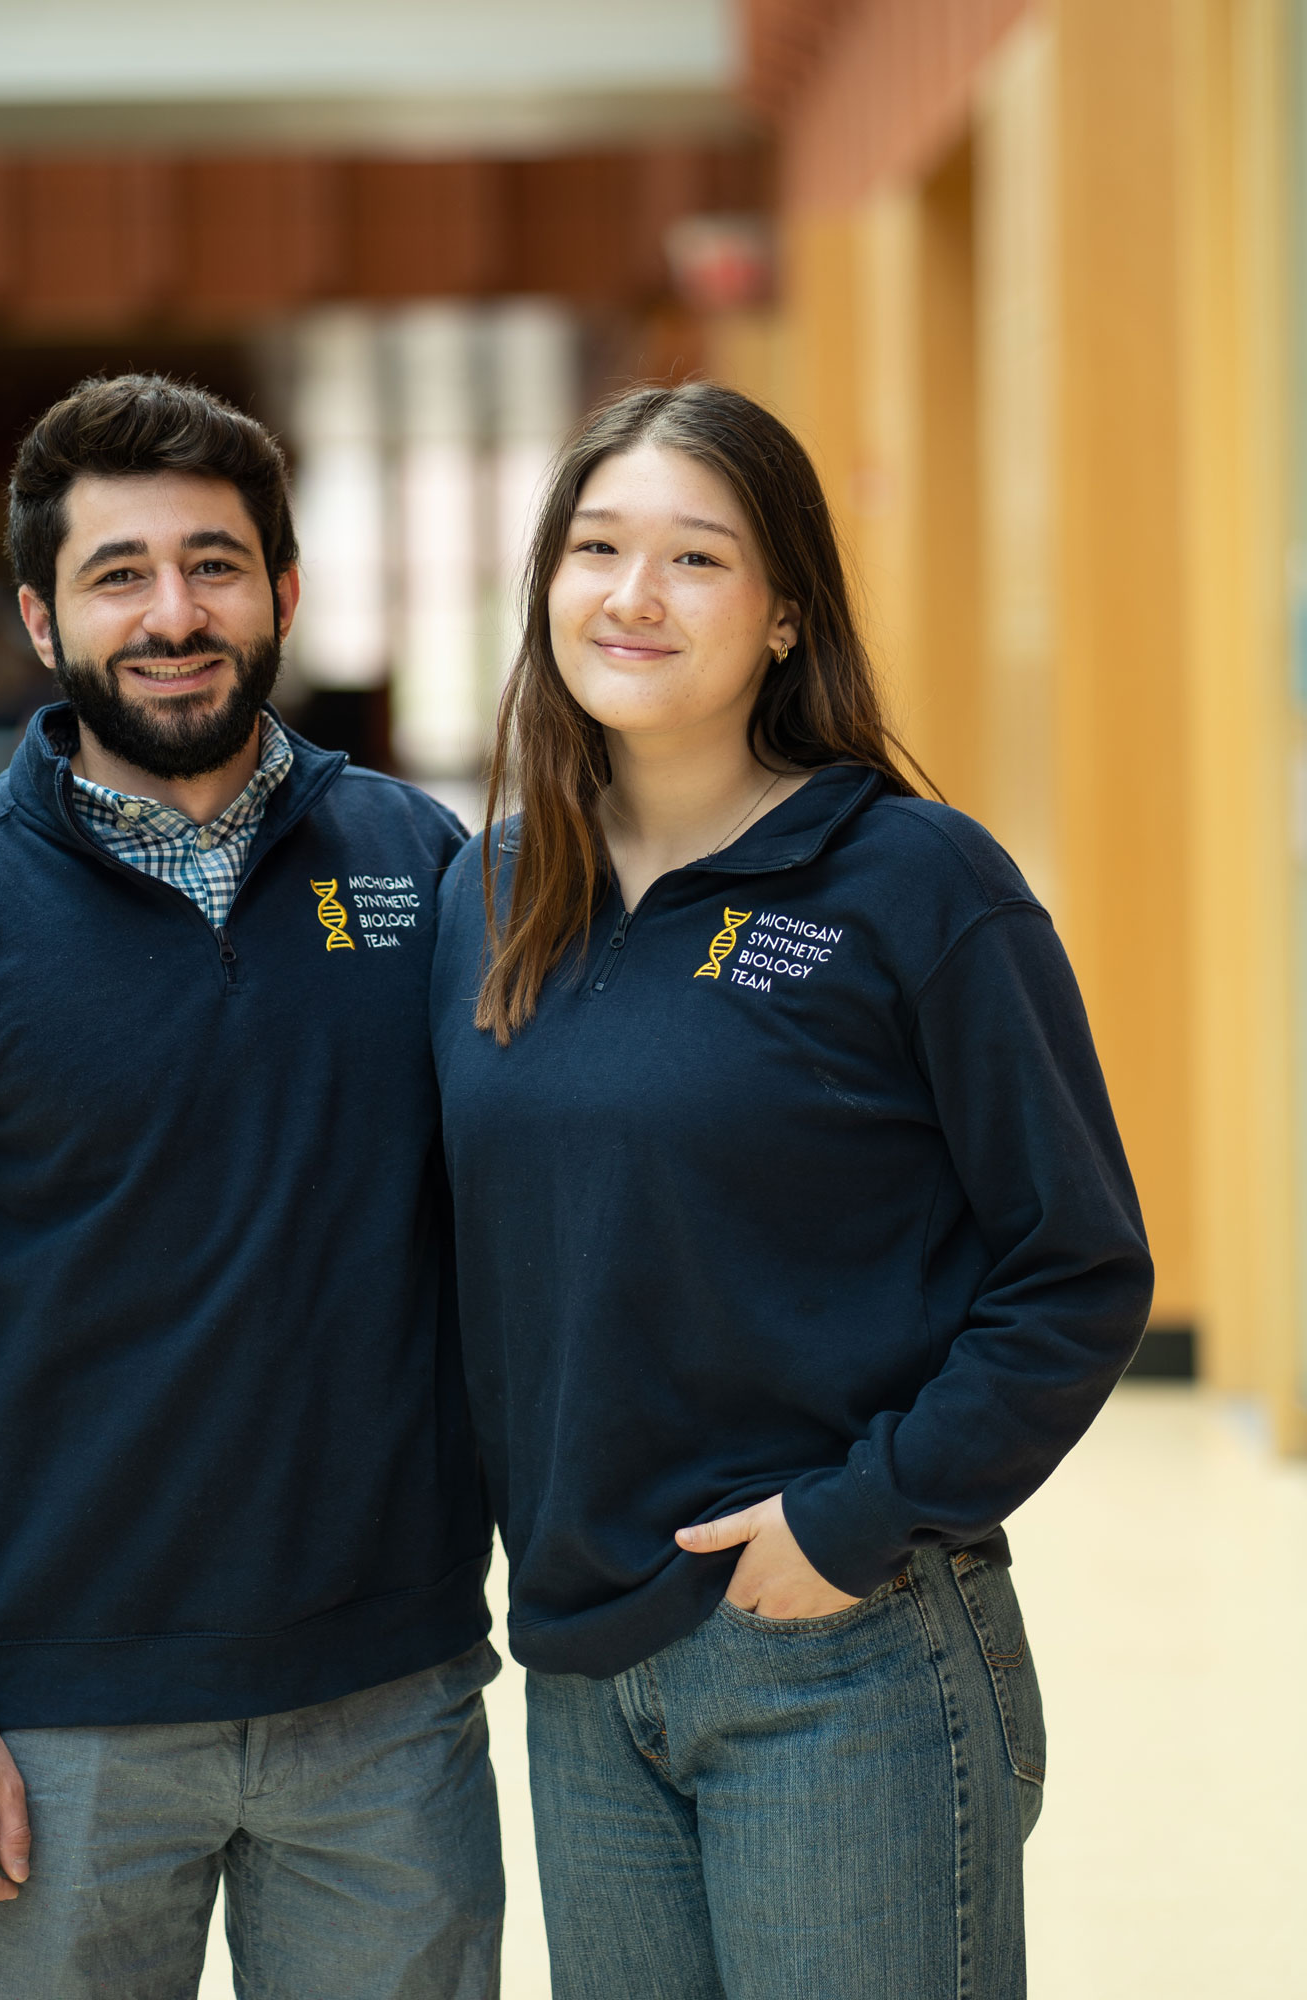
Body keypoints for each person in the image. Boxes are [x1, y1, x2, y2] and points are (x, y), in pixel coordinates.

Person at [430, 381, 1155, 1999]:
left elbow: (1079, 1268)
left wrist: (854, 1521)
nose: (632, 596)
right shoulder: (487, 895)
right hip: (579, 1663)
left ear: (781, 617)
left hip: (845, 1645)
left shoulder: (916, 883)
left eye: (696, 559)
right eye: (596, 546)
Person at [0, 374, 502, 2000]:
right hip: (54, 1726)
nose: (172, 614)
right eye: (119, 574)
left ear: (286, 594)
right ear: (43, 619)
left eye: (215, 564)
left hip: (385, 1705)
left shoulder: (416, 865)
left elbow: (520, 1235)